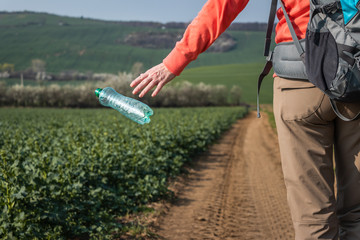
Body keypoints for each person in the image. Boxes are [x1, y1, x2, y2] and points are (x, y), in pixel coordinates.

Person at [130, 0, 360, 239]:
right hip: (356, 72)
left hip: (300, 76)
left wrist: (174, 62)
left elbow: (223, 5)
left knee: (313, 217)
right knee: (357, 213)